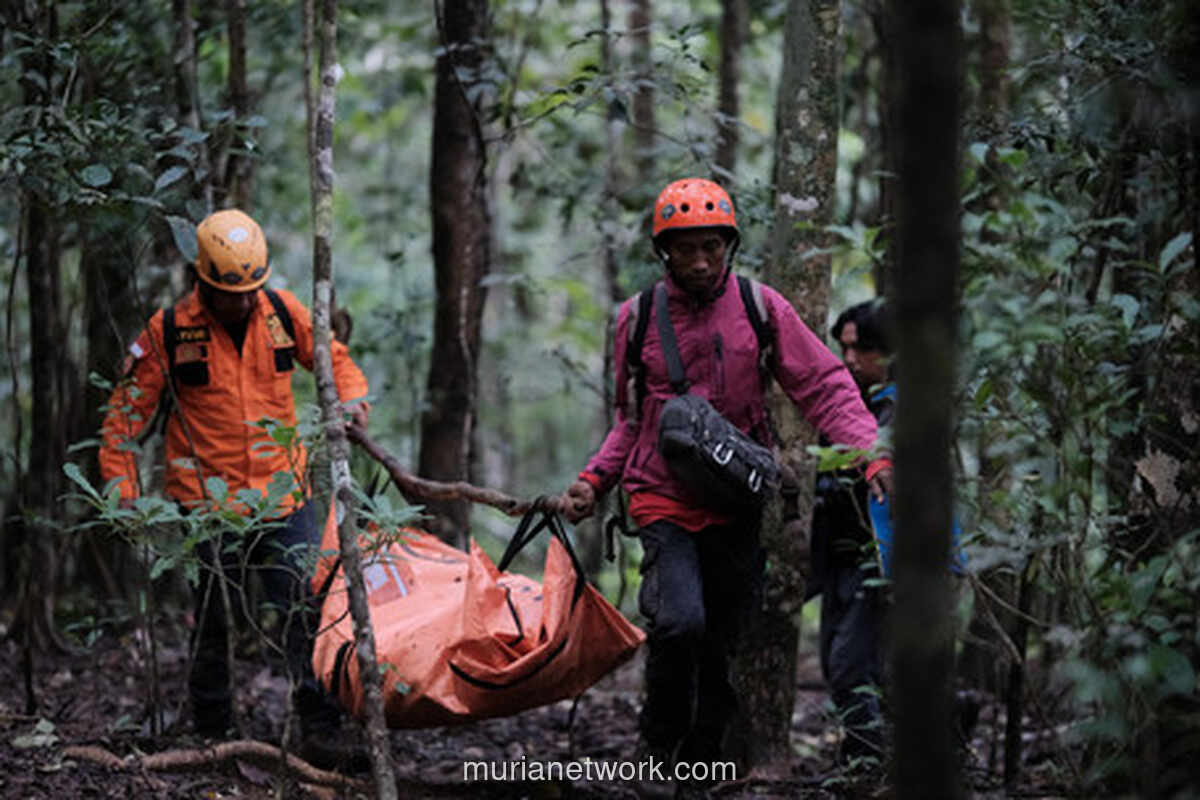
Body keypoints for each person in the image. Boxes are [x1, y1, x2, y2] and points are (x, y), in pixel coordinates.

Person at [556, 179, 892, 777]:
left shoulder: (762, 308)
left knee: (720, 643)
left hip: (738, 499)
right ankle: (657, 750)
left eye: (711, 247)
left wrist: (872, 454)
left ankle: (701, 764)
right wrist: (594, 480)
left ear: (729, 246)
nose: (700, 261)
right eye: (685, 249)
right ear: (664, 252)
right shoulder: (637, 318)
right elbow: (630, 420)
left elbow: (824, 385)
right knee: (679, 621)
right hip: (662, 496)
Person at [98, 209, 370, 766]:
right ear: (203, 279)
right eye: (231, 292)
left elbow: (334, 361)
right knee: (212, 616)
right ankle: (213, 728)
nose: (243, 301)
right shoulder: (169, 329)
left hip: (283, 493)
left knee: (304, 602)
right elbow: (125, 416)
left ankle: (321, 727)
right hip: (206, 503)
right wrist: (122, 490)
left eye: (251, 289)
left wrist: (351, 400)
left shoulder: (282, 313)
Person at [808, 298, 894, 768]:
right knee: (835, 660)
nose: (850, 359)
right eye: (844, 349)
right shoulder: (843, 403)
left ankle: (867, 763)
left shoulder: (901, 408)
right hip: (837, 554)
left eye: (862, 349)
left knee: (851, 665)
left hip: (879, 557)